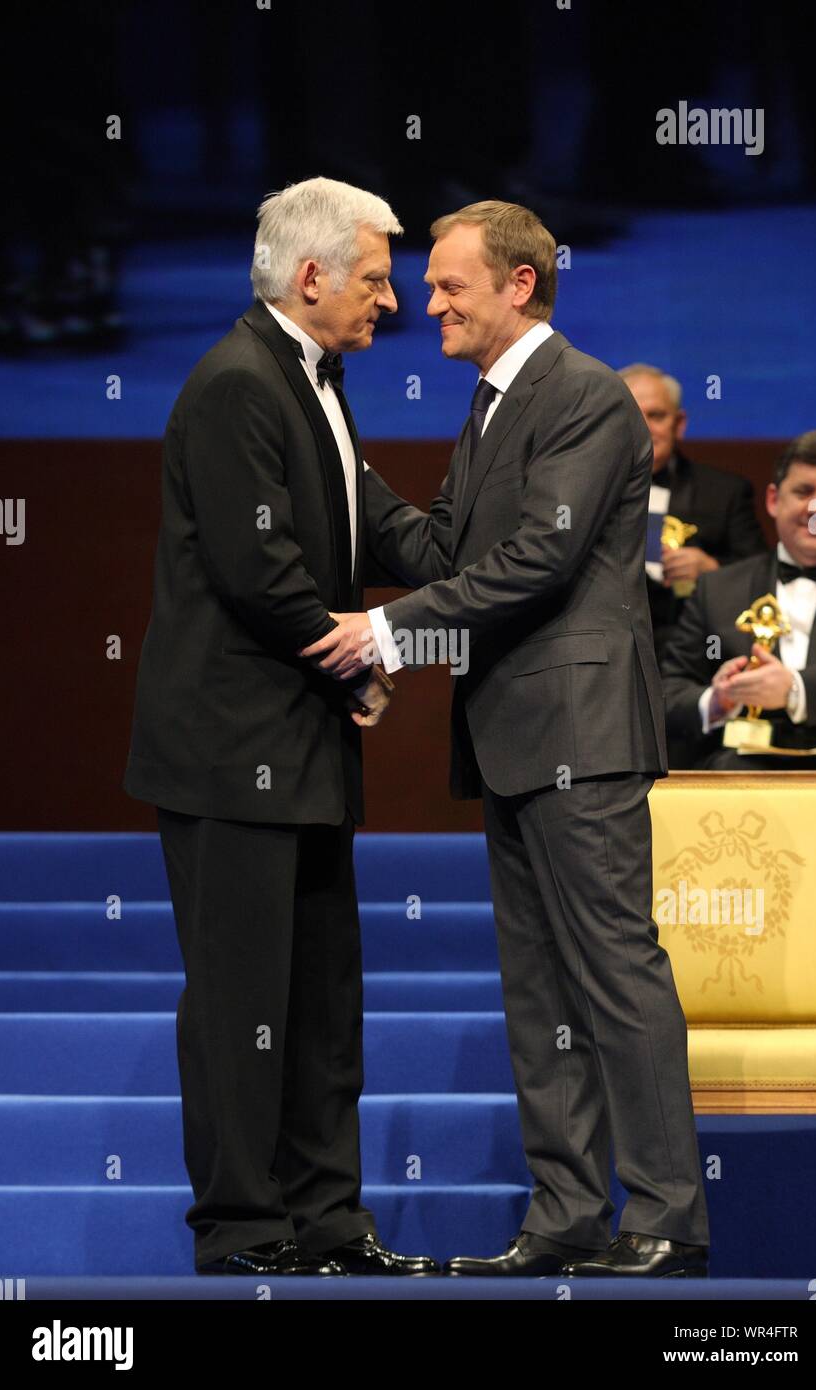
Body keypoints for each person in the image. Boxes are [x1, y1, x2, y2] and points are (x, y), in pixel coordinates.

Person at [303, 200, 710, 1278]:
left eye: (446, 284)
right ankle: (568, 1212)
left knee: (614, 972)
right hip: (514, 734)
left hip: (579, 727)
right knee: (536, 989)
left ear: (519, 284)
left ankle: (666, 1215)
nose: (424, 302)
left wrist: (388, 630)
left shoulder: (577, 394)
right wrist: (335, 462)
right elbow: (443, 546)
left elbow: (539, 557)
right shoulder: (492, 404)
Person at [123, 176, 439, 1278]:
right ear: (310, 278)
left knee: (318, 1001)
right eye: (373, 278)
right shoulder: (234, 386)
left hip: (296, 749)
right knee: (241, 1003)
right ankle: (245, 1234)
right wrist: (354, 651)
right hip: (228, 755)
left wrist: (478, 565)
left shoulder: (310, 378)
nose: (390, 301)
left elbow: (369, 511)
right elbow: (258, 572)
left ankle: (326, 1220)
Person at [660, 430, 816, 770]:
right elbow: (669, 691)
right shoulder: (717, 589)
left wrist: (796, 688)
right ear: (774, 500)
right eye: (804, 492)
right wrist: (715, 701)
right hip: (742, 769)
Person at [619, 364, 768, 767]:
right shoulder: (578, 494)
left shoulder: (725, 492)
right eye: (631, 414)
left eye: (657, 415)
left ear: (679, 423)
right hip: (609, 667)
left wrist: (714, 571)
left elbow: (765, 582)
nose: (644, 426)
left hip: (699, 671)